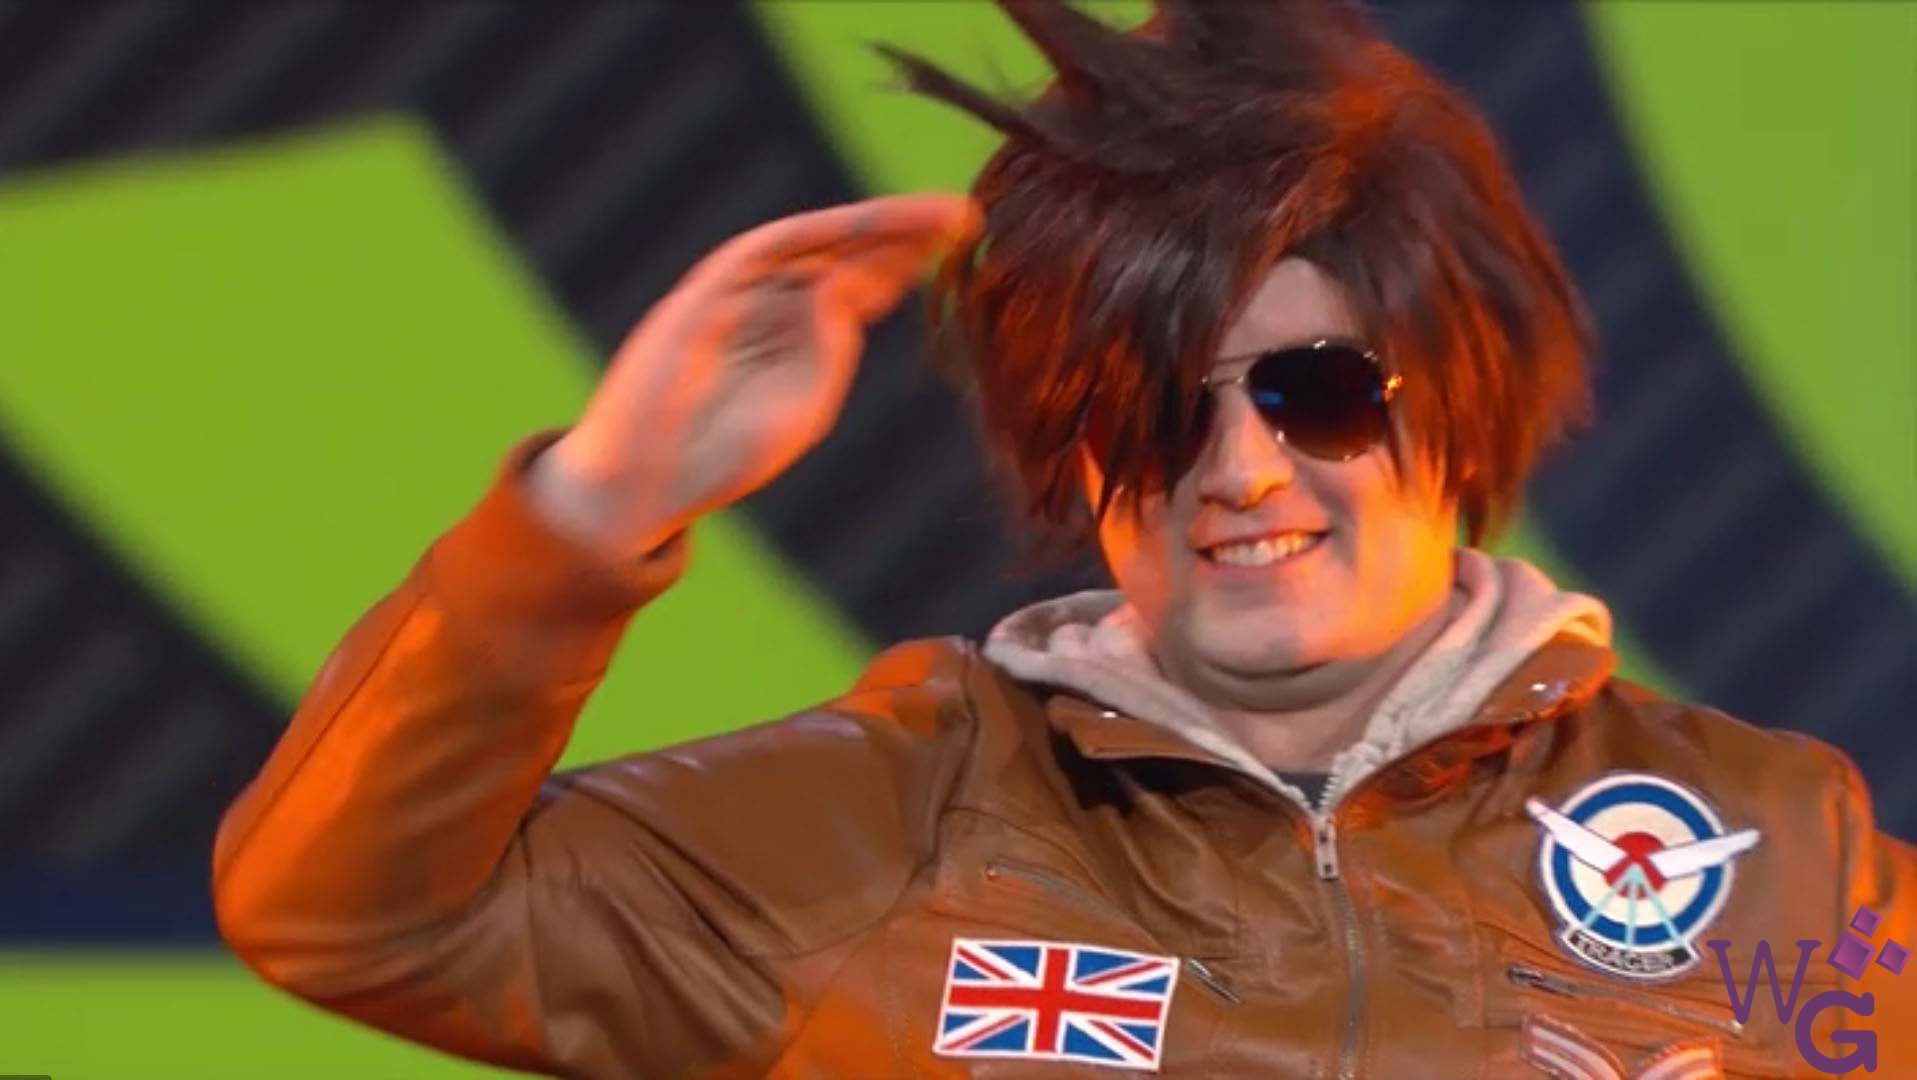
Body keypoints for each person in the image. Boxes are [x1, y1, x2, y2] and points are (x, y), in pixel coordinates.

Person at [212, 2, 1915, 1077]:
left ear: (1460, 406)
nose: (1238, 470)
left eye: (1318, 391)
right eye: (1154, 406)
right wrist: (595, 505)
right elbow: (350, 920)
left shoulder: (1774, 851)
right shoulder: (889, 823)